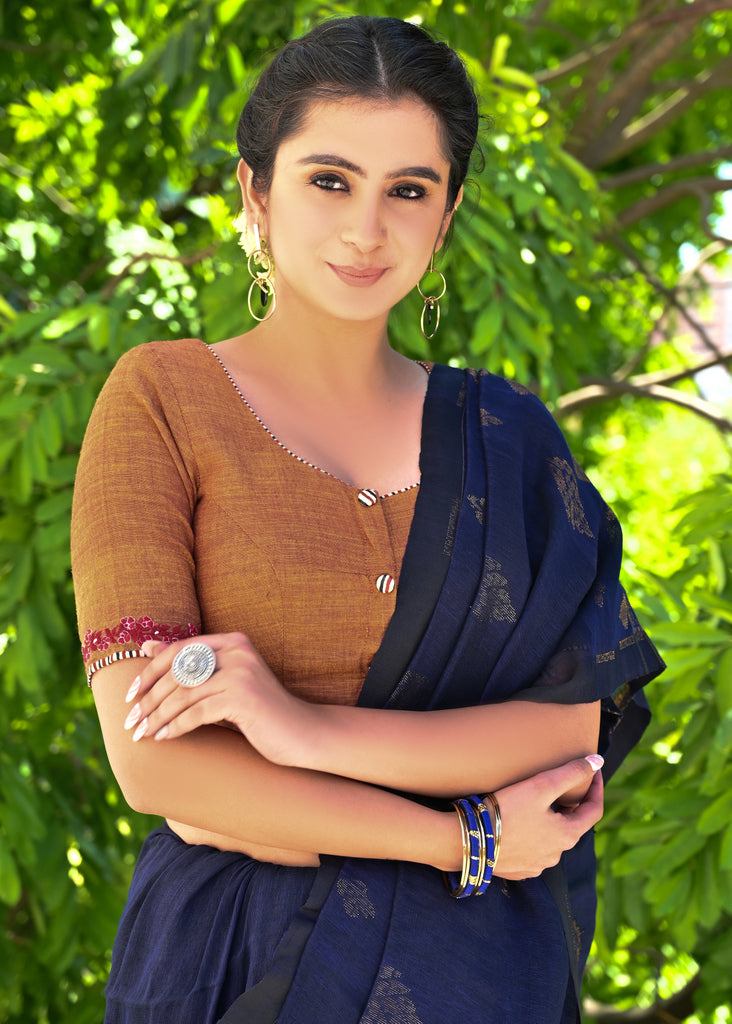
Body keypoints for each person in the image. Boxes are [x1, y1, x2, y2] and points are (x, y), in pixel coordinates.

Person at [70, 15, 663, 1024]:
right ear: (256, 193)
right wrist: (467, 838)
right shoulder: (163, 400)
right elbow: (156, 762)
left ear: (449, 213)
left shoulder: (511, 440)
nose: (365, 230)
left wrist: (293, 735)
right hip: (234, 966)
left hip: (474, 984)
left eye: (409, 191)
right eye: (329, 180)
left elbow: (563, 734)